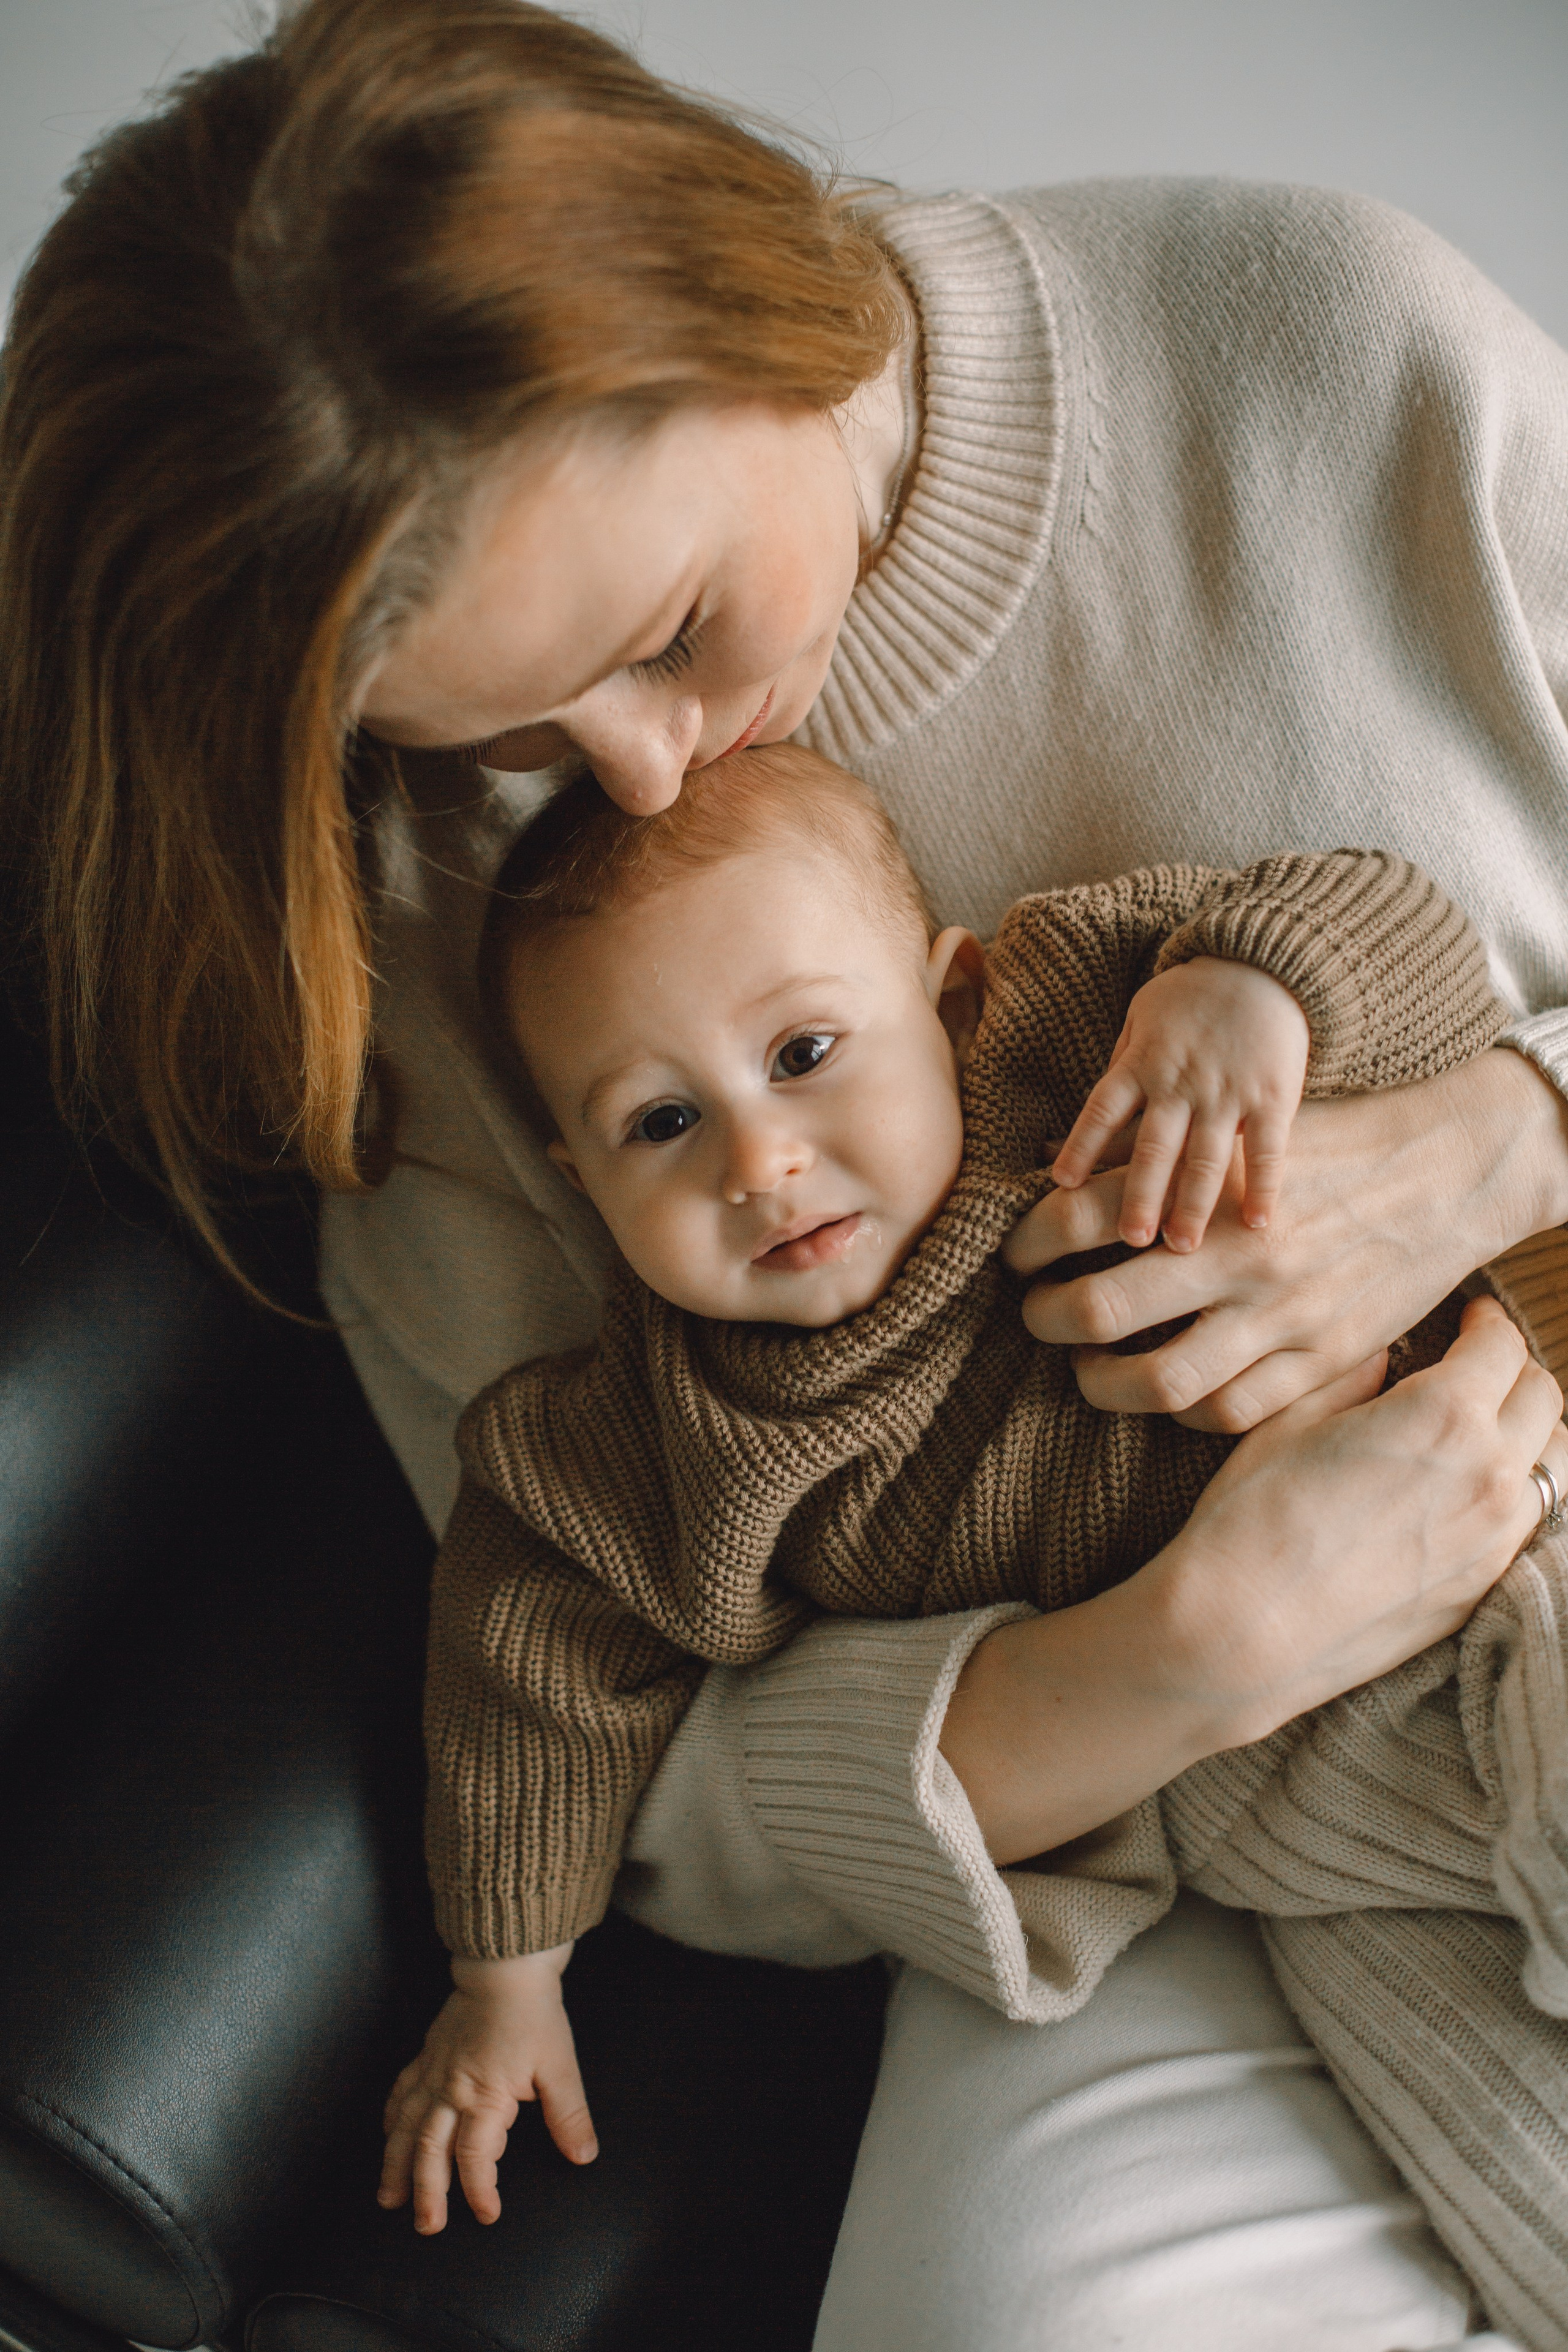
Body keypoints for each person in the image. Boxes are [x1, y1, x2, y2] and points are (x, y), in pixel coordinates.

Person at [4, 0, 1568, 2343]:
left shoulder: (1334, 358)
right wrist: (1166, 1669)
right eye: (502, 736)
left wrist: (1494, 1141)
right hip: (1160, 1834)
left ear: (738, 299)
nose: (631, 777)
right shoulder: (425, 920)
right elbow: (613, 1725)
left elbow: (1359, 942)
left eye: (659, 637)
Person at [380, 743, 1568, 2346]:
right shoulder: (647, 1441)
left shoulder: (1077, 1048)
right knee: (1513, 2170)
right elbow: (525, 1655)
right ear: (576, 1180)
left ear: (951, 1003)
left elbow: (1390, 926)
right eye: (661, 1123)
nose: (759, 1159)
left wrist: (1254, 991)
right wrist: (504, 1976)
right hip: (1297, 1828)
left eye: (805, 1051)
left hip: (1508, 1538)